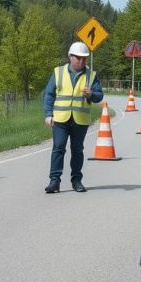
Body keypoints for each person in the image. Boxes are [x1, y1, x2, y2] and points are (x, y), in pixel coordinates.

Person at [42, 41, 104, 194]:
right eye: (78, 58)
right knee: (58, 148)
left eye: (84, 58)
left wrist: (92, 94)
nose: (81, 61)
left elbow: (99, 96)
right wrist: (48, 115)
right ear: (70, 57)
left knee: (77, 150)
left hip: (80, 120)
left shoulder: (92, 75)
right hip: (60, 119)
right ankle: (54, 181)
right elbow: (49, 95)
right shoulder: (58, 72)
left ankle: (76, 180)